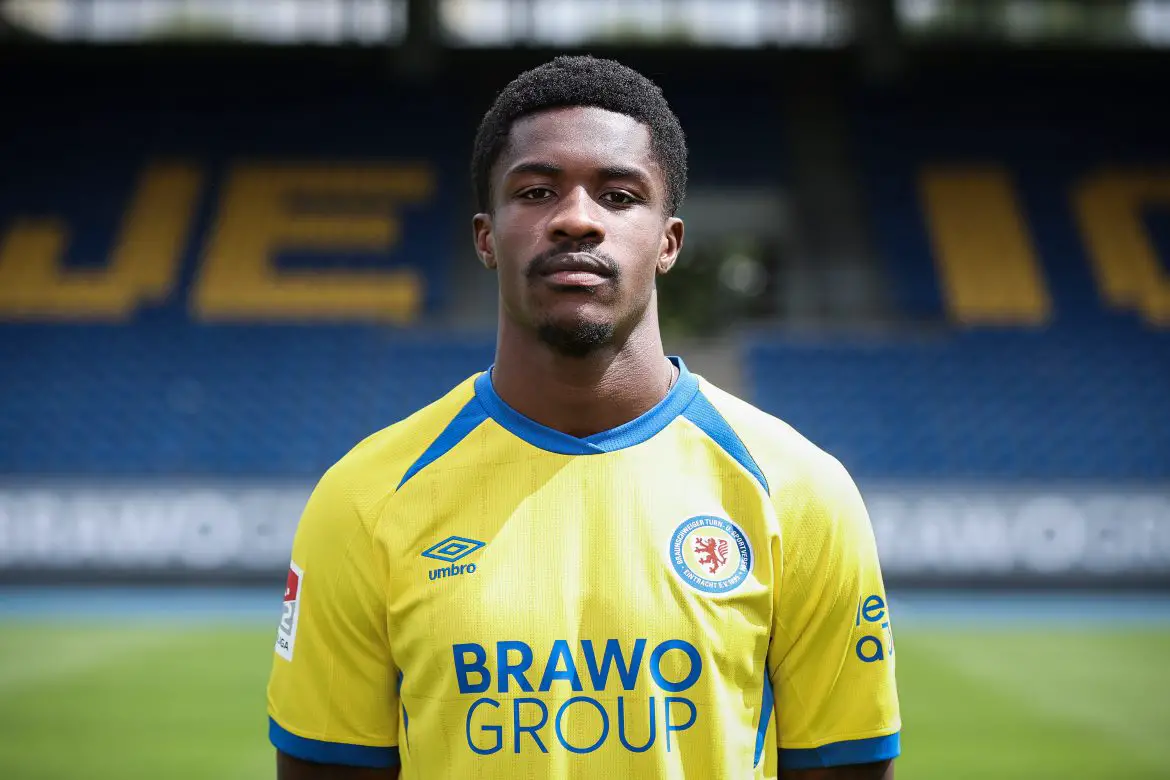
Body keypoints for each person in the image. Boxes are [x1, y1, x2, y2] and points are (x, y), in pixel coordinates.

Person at [267, 55, 900, 779]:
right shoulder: (365, 500)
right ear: (484, 237)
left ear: (669, 242)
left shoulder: (800, 493)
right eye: (537, 191)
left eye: (620, 195)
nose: (575, 219)